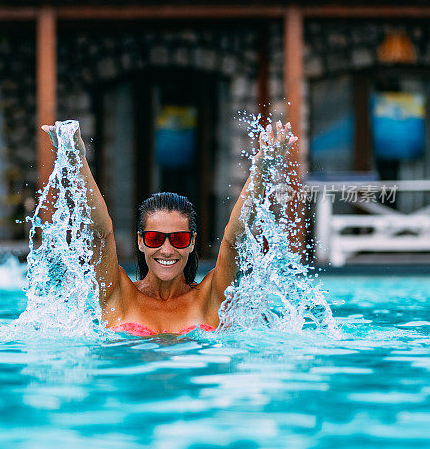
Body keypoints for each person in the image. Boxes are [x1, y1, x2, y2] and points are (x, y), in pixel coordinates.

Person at [42, 120, 296, 336]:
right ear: (140, 241)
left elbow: (234, 238)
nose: (166, 249)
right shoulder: (118, 293)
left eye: (178, 238)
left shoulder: (210, 296)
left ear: (192, 241)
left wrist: (262, 169)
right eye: (154, 238)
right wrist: (76, 158)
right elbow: (101, 231)